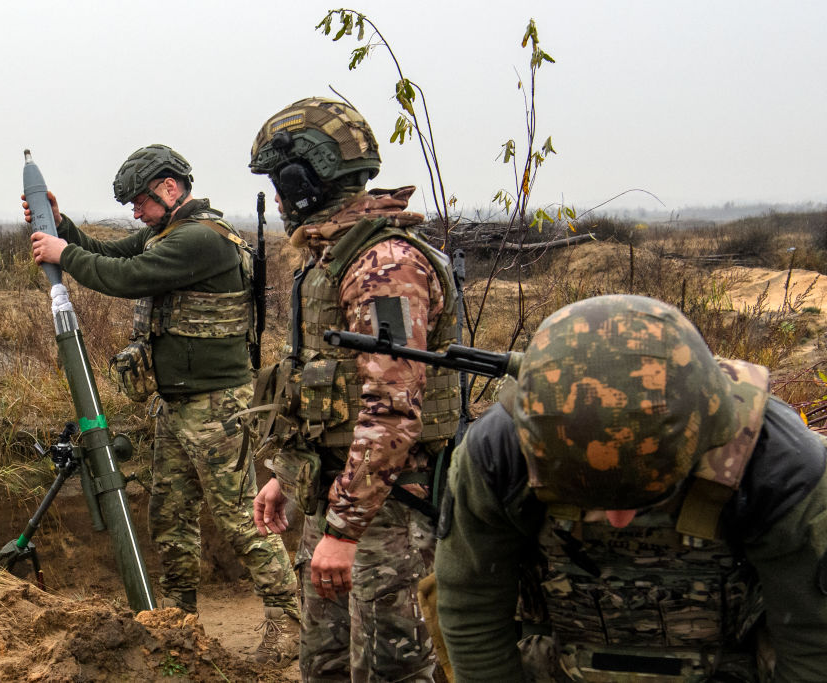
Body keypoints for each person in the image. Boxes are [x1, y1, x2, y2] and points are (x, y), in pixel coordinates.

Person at [434, 294, 827, 682]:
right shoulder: (501, 451)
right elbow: (472, 605)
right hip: (559, 654)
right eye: (581, 499)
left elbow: (813, 639)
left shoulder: (778, 464)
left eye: (649, 499)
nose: (618, 521)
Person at [23, 144, 300, 667]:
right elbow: (121, 253)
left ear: (170, 188)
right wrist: (64, 227)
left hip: (219, 409)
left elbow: (125, 277)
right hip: (176, 407)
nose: (136, 213)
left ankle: (287, 621)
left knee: (241, 519)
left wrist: (63, 255)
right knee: (170, 517)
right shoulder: (169, 234)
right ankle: (181, 622)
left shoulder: (202, 240)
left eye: (141, 201)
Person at [249, 97, 462, 681]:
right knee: (326, 666)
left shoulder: (384, 264)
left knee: (391, 670)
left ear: (302, 179)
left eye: (278, 179)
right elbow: (319, 394)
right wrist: (288, 478)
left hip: (388, 512)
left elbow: (392, 414)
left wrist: (345, 530)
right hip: (341, 496)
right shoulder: (332, 257)